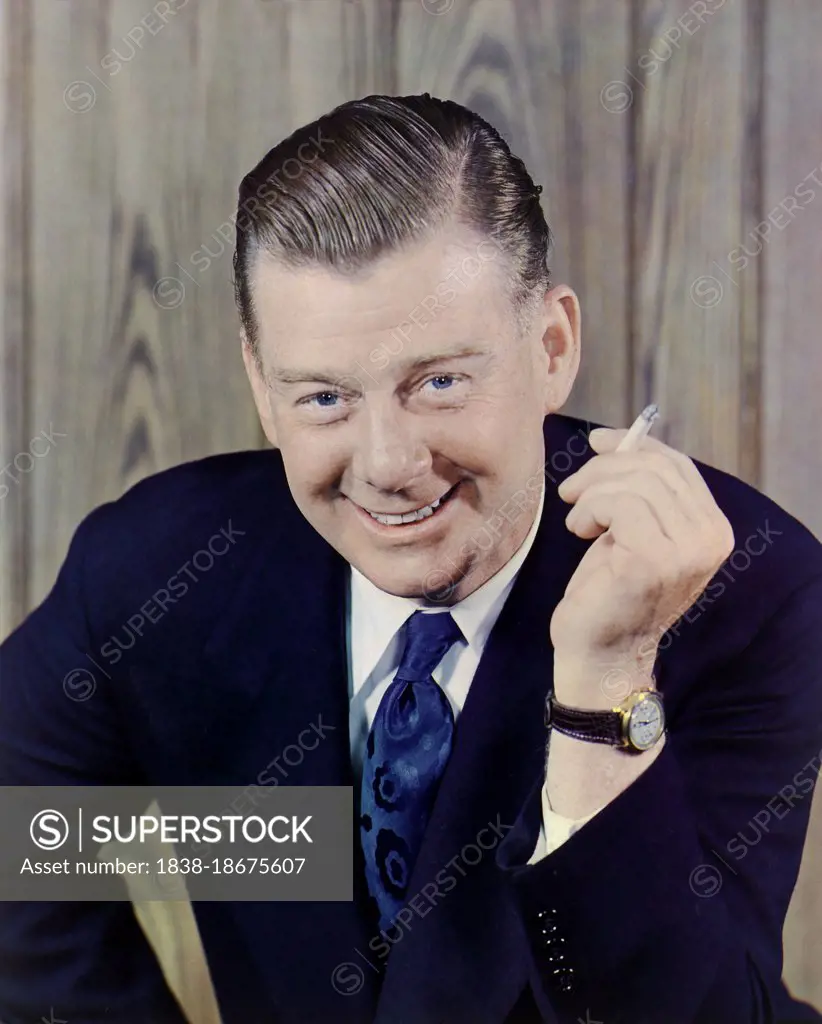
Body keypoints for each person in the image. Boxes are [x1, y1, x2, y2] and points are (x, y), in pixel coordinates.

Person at [1, 93, 821, 1024]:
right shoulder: (160, 572)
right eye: (323, 399)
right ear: (261, 391)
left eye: (439, 382)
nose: (388, 465)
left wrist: (605, 685)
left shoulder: (748, 591)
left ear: (551, 348)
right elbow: (21, 837)